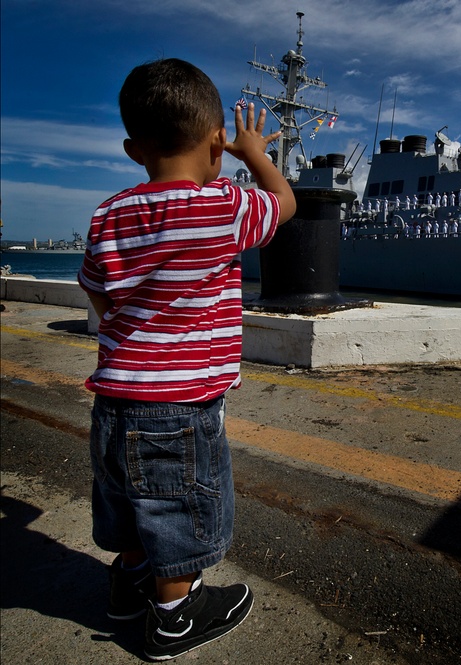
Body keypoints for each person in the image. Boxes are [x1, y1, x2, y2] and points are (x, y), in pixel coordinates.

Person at [77, 59, 296, 661]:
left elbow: (95, 287)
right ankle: (175, 616)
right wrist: (253, 153)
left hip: (114, 400)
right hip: (179, 406)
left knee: (127, 501)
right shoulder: (224, 206)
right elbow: (285, 203)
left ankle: (127, 588)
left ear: (133, 149)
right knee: (177, 507)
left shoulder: (108, 214)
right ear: (215, 142)